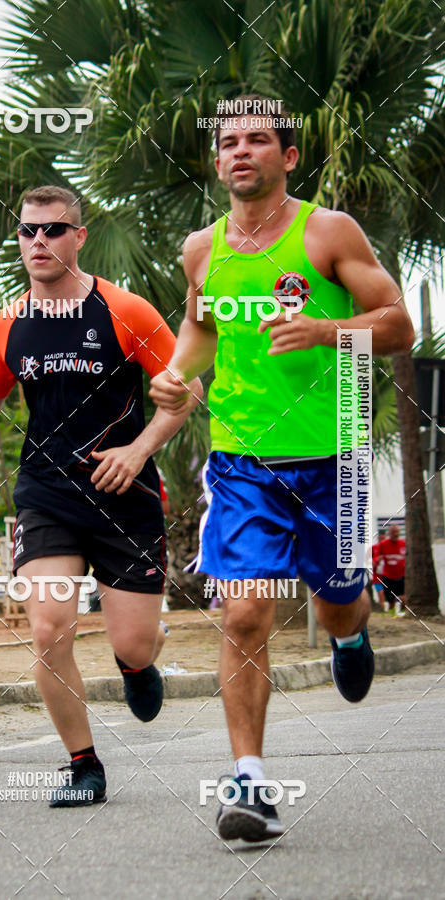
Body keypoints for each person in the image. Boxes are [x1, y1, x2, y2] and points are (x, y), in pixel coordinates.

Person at [149, 94, 415, 842]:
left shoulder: (327, 231)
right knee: (243, 611)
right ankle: (251, 782)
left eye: (258, 140)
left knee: (335, 604)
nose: (241, 151)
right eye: (229, 141)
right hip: (243, 463)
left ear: (288, 157)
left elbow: (398, 323)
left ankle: (350, 635)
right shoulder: (202, 248)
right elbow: (202, 328)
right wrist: (176, 374)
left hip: (336, 459)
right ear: (216, 158)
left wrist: (327, 329)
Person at [0, 184, 202, 807]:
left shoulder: (126, 312)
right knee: (48, 630)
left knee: (131, 643)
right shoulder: (5, 327)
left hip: (125, 496)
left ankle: (139, 663)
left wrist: (138, 449)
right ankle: (83, 764)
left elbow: (186, 392)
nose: (37, 241)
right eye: (26, 232)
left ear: (79, 236)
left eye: (53, 230)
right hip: (46, 495)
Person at [376, 524, 406, 615]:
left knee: (402, 597)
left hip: (401, 575)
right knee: (389, 598)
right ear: (389, 533)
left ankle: (402, 613)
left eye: (397, 532)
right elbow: (375, 557)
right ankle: (391, 614)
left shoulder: (403, 544)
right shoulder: (383, 544)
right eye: (393, 532)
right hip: (388, 576)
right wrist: (378, 559)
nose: (395, 534)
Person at [371, 528, 386, 610]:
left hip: (389, 577)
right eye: (380, 538)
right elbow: (369, 564)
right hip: (377, 578)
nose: (382, 540)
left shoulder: (389, 548)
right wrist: (377, 560)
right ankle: (384, 612)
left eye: (383, 538)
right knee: (381, 595)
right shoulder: (373, 548)